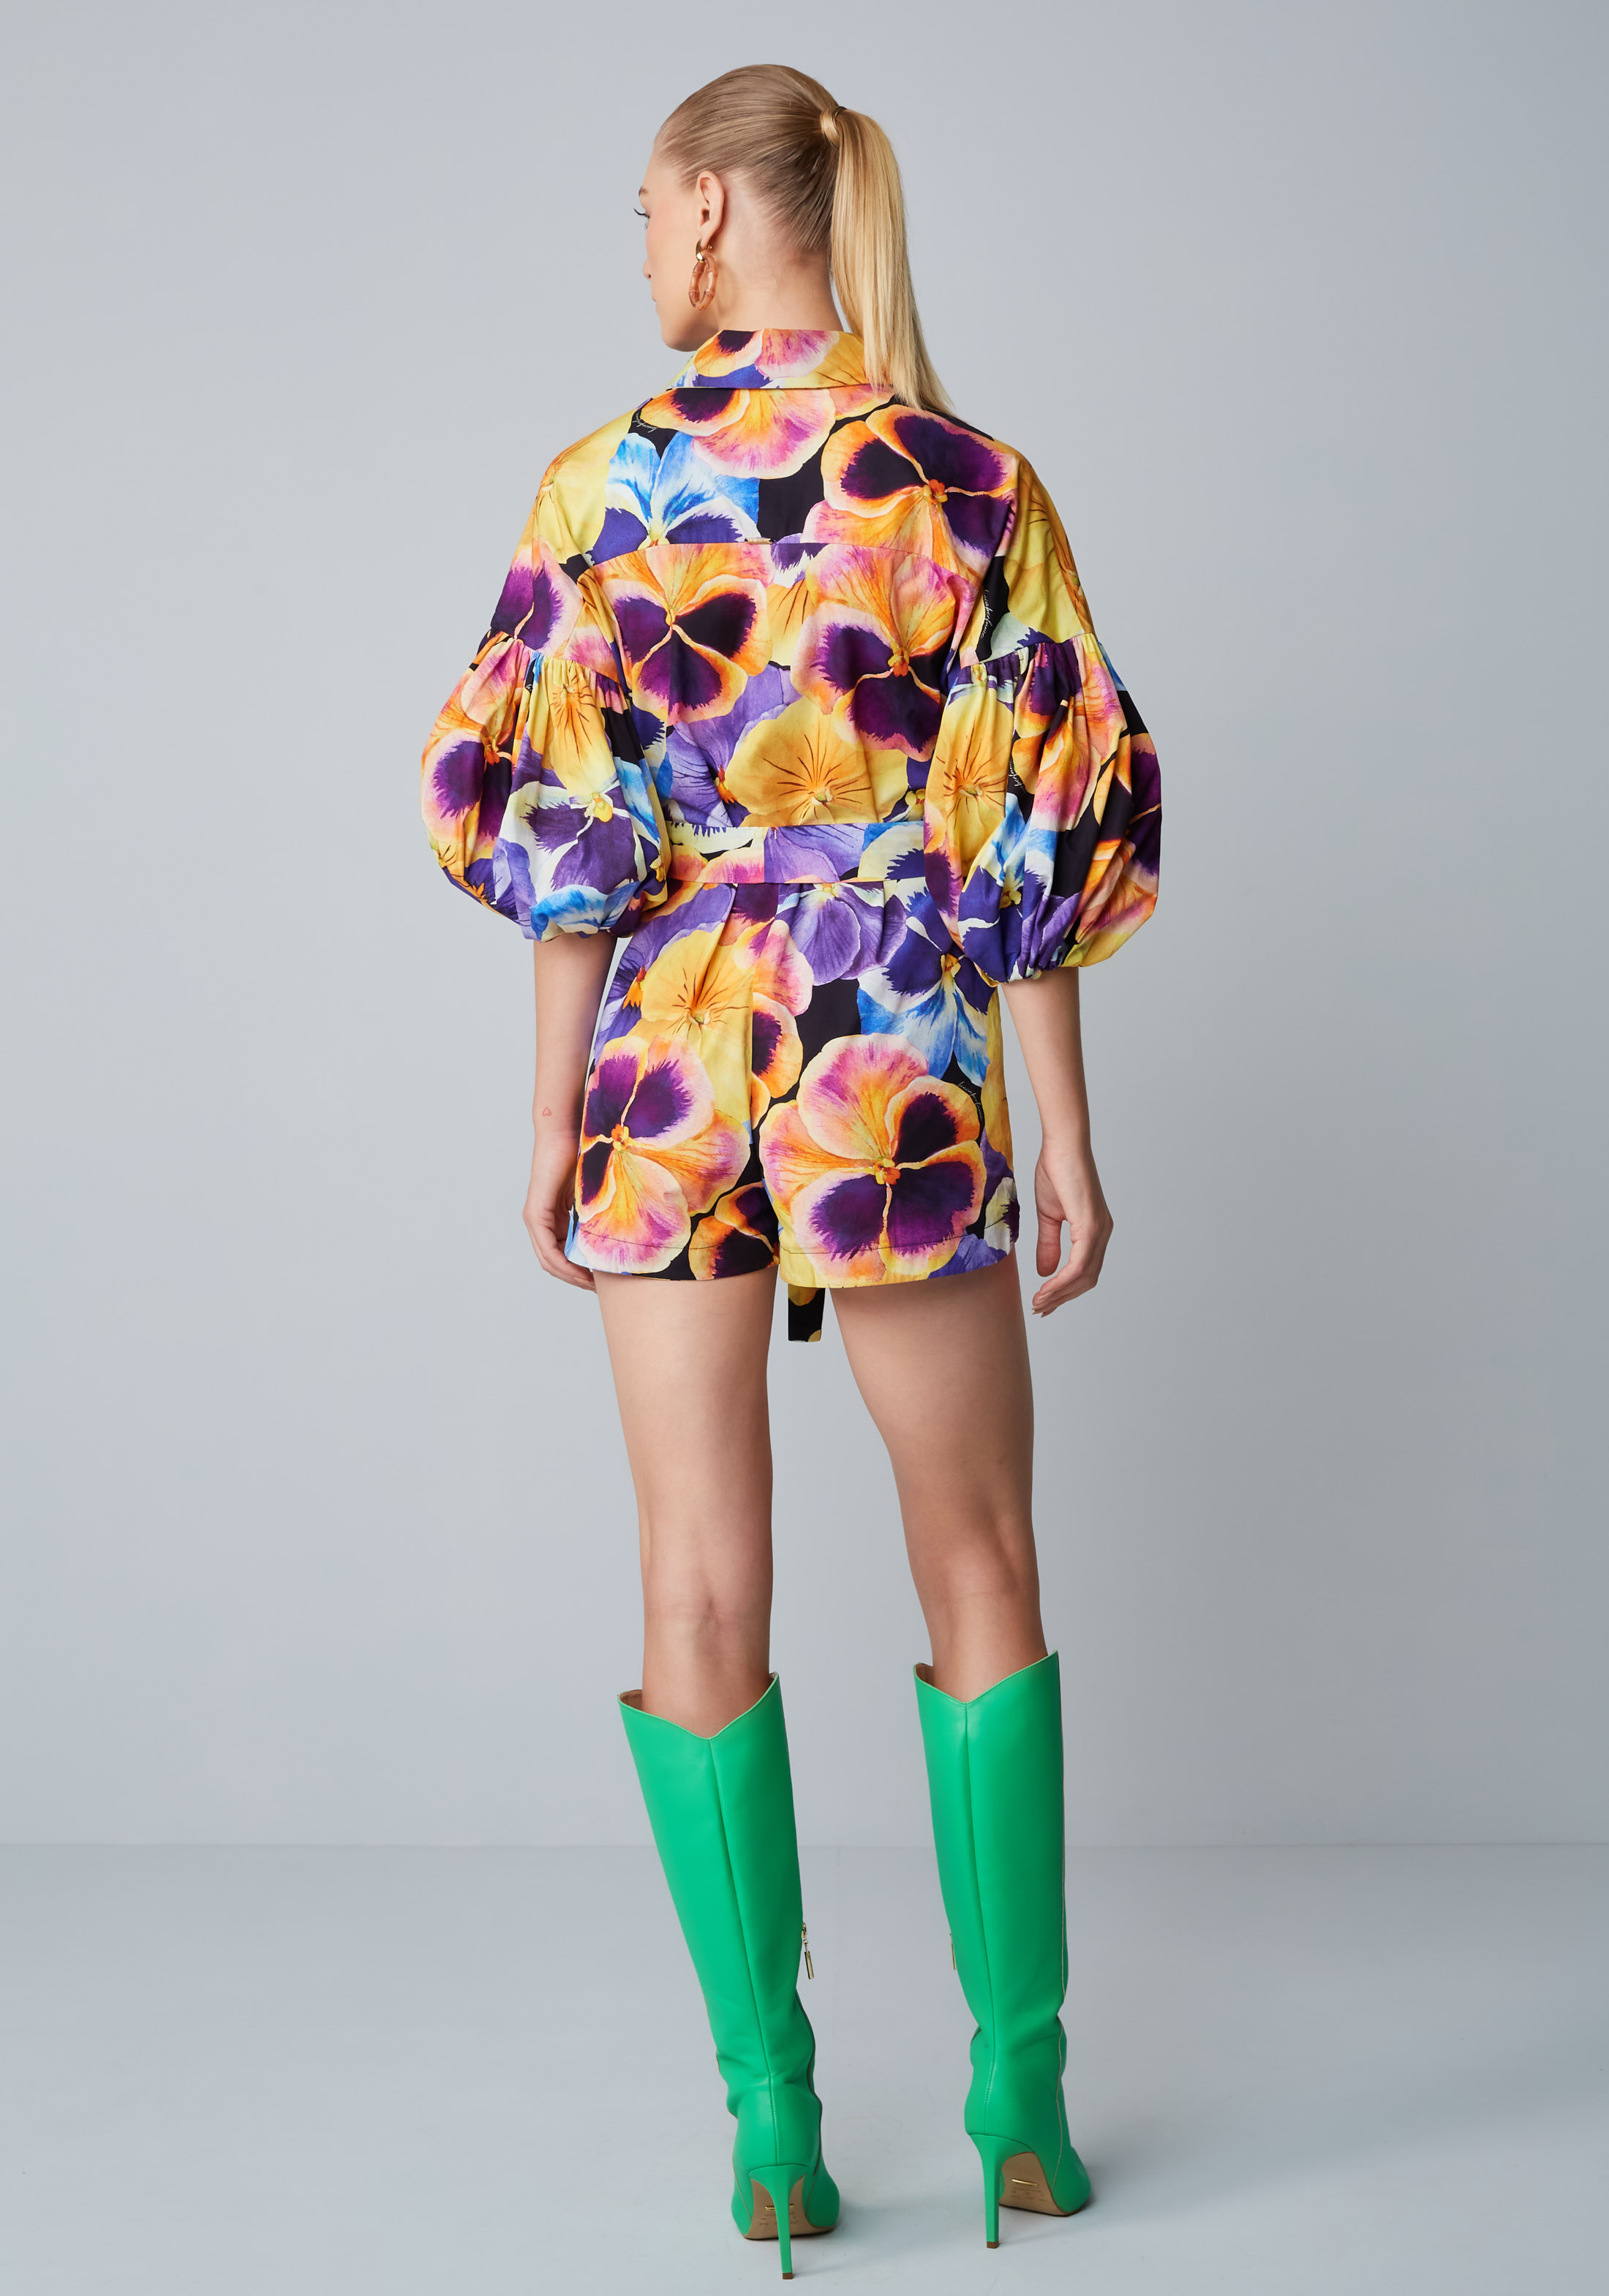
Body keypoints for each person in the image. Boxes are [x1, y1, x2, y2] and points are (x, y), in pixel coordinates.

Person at [421, 62, 1160, 2276]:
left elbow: (566, 831)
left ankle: (772, 2132)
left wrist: (549, 1119)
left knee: (693, 1590)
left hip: (670, 1059)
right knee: (985, 1556)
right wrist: (1063, 1125)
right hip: (897, 1047)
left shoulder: (599, 490)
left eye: (648, 210)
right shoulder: (972, 483)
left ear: (716, 222)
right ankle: (1022, 2100)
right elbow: (1034, 817)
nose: (643, 250)